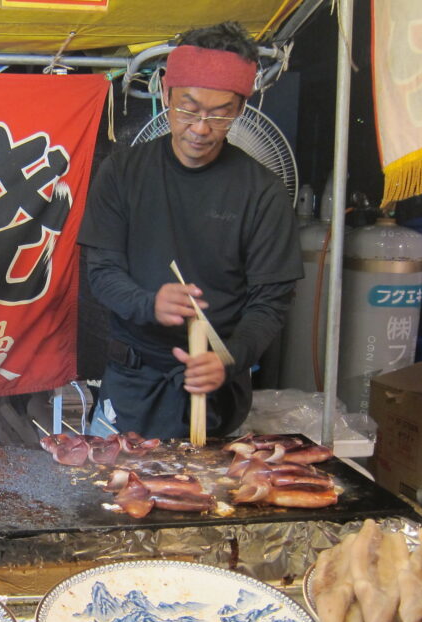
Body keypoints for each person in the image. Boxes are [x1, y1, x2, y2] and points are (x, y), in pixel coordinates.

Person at [78, 22, 302, 440]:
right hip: (133, 383)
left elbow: (270, 304)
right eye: (189, 107)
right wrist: (149, 303)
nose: (200, 128)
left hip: (217, 391)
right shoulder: (123, 173)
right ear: (166, 92)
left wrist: (228, 358)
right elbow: (102, 272)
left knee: (209, 499)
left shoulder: (262, 192)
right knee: (110, 497)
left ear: (240, 108)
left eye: (220, 113)